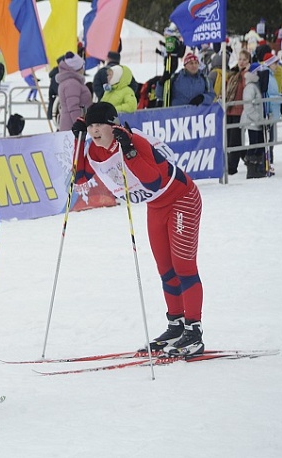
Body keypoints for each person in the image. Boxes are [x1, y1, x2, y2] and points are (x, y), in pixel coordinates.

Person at [71, 102, 205, 356]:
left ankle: (193, 330)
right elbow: (79, 177)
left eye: (99, 124)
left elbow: (153, 179)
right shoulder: (92, 149)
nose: (94, 130)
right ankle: (175, 325)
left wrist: (130, 152)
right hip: (156, 206)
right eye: (90, 126)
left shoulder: (132, 141)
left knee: (183, 267)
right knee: (166, 270)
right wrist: (78, 140)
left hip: (181, 198)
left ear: (113, 125)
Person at [225, 50, 251, 175]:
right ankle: (248, 157)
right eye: (240, 59)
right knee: (232, 139)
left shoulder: (247, 75)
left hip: (240, 111)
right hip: (229, 110)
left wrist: (246, 71)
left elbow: (247, 87)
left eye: (244, 60)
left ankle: (231, 167)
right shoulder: (233, 73)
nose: (241, 62)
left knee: (234, 141)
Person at [240, 63, 267, 178]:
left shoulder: (256, 85)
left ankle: (257, 167)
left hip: (257, 121)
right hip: (252, 121)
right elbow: (248, 105)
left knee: (258, 143)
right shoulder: (251, 86)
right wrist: (257, 118)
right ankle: (251, 169)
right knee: (253, 144)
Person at [55, 51, 92, 132]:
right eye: (82, 66)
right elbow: (73, 107)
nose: (83, 69)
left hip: (71, 125)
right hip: (72, 127)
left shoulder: (71, 82)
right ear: (77, 68)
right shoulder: (72, 83)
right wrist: (79, 125)